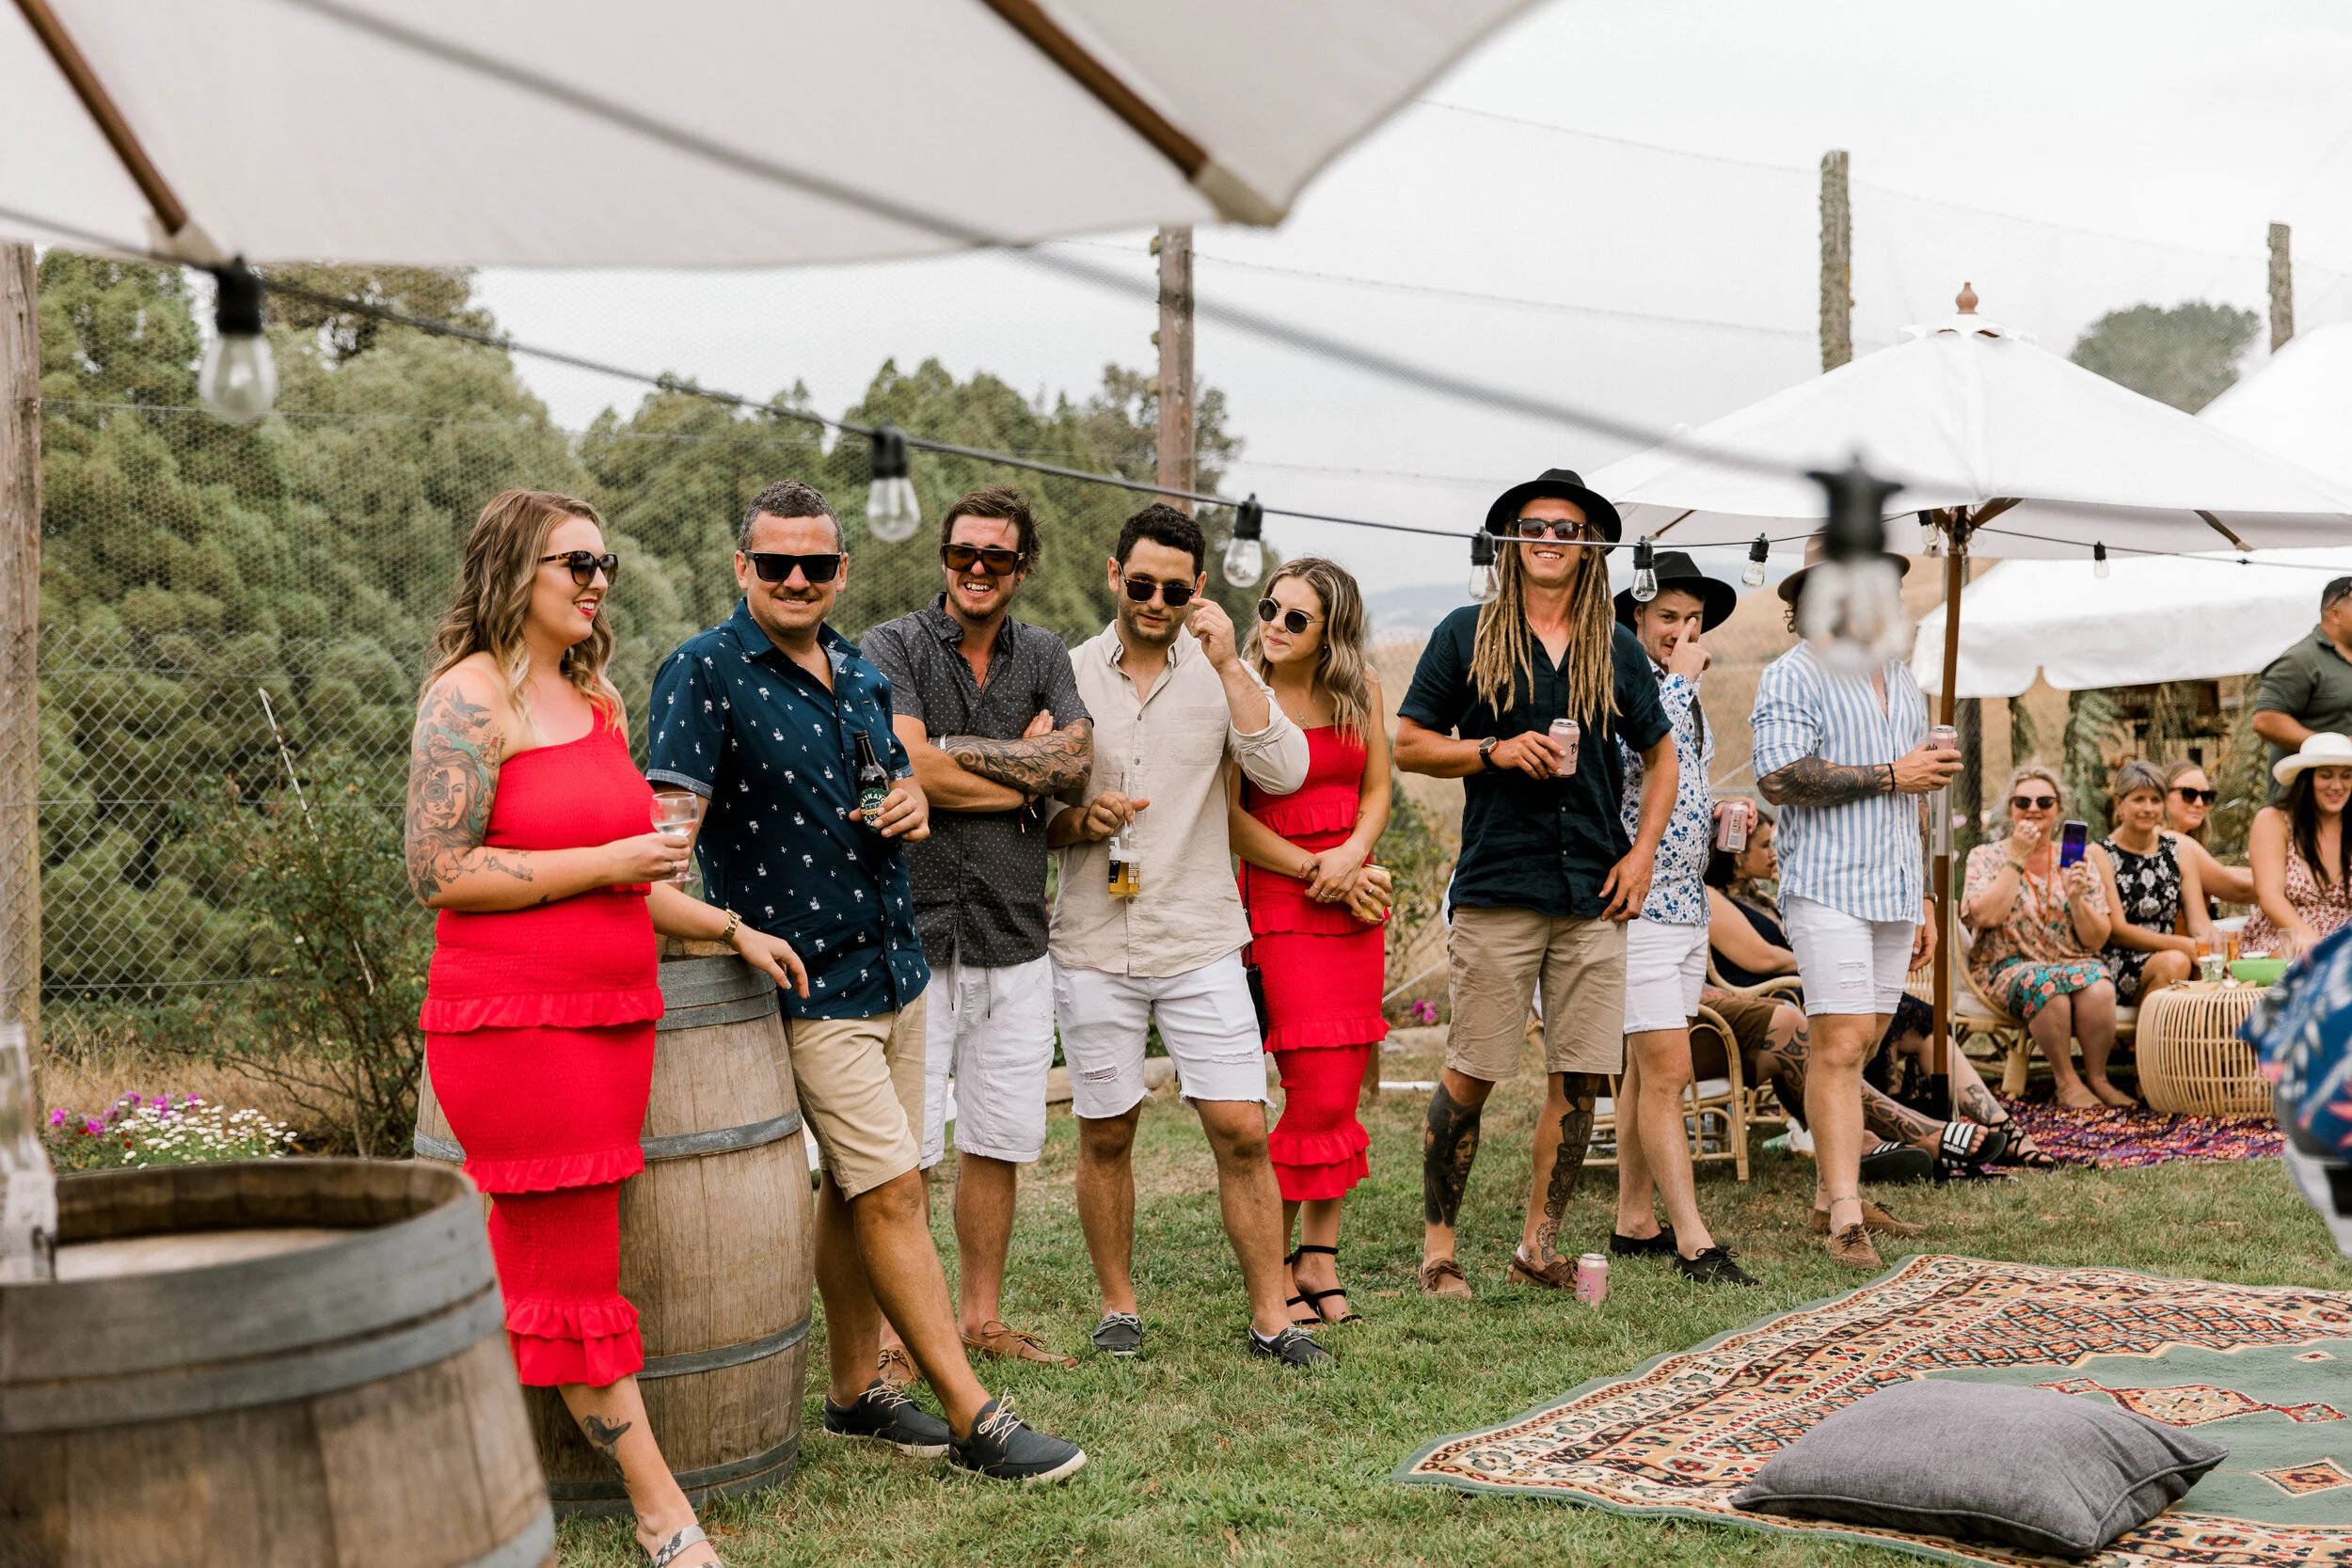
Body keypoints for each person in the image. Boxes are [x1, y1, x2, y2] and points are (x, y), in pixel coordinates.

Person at [410, 489, 817, 1568]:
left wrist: (731, 925)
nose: (595, 581)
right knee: (576, 1274)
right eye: (574, 563)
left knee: (525, 1269)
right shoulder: (466, 699)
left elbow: (636, 886)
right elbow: (437, 871)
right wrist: (605, 865)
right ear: (513, 571)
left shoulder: (598, 704)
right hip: (513, 1028)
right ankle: (660, 1511)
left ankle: (434, 1472)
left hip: (612, 1023)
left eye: (605, 565)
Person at [647, 479, 1084, 1482]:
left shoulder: (850, 665)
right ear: (740, 568)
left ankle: (854, 1389)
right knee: (892, 1189)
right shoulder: (701, 672)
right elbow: (659, 853)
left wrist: (910, 810)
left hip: (897, 962)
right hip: (807, 982)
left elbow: (901, 786)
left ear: (841, 571)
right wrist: (725, 929)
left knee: (864, 1184)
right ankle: (975, 1414)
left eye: (814, 564)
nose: (795, 579)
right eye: (773, 563)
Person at [1044, 503, 1332, 1368]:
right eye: (1141, 583)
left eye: (1175, 587)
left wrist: (1232, 664)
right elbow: (1035, 814)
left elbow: (1285, 770)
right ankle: (1119, 1305)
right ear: (1113, 577)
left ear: (1199, 588)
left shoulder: (1224, 671)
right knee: (1106, 1128)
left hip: (1201, 934)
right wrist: (1077, 819)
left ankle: (1272, 1317)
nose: (1156, 599)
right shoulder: (1064, 674)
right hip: (1095, 936)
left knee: (1242, 1127)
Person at [1394, 469, 1676, 1299]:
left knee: (1581, 1077)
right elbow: (1409, 742)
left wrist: (1644, 851)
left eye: (1568, 529)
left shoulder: (1615, 649)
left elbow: (1661, 753)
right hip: (1499, 885)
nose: (1550, 539)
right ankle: (1439, 1250)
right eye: (1534, 526)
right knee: (1472, 1072)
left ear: (1591, 548)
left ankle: (1538, 1245)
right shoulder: (1466, 634)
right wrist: (1492, 749)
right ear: (1510, 542)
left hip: (1594, 888)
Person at [861, 485, 1093, 1374]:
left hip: (1013, 934)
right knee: (906, 1150)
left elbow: (1077, 762)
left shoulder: (1044, 654)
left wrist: (966, 755)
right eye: (964, 553)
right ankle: (896, 1338)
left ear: (1021, 566)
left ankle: (981, 1318)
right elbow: (904, 760)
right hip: (914, 932)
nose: (978, 569)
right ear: (944, 559)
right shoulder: (895, 645)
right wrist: (1022, 775)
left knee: (997, 1137)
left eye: (997, 556)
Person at [1750, 534, 1953, 1271]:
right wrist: (1894, 774)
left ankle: (1830, 1189)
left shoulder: (1903, 682)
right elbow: (1779, 777)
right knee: (1837, 1044)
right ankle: (1843, 1210)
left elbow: (1921, 797)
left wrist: (1927, 895)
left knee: (1862, 1040)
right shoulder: (1792, 675)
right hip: (1828, 885)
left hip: (1895, 888)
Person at [1223, 558, 1396, 1327]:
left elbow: (1379, 789)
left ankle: (1318, 1257)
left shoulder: (1359, 694)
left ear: (1333, 632)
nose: (1275, 625)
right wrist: (1313, 867)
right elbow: (1226, 818)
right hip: (1282, 902)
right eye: (1269, 607)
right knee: (1312, 1091)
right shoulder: (1242, 696)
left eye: (1297, 617)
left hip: (1356, 903)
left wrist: (1354, 855)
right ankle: (1275, 1265)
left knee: (1342, 1090)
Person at [1608, 550, 1756, 1285]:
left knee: (1645, 1069)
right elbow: (1638, 755)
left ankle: (1635, 1217)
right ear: (1637, 618)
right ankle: (1695, 1239)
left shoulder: (1684, 695)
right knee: (1667, 1067)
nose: (1683, 629)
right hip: (1637, 906)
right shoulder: (1624, 681)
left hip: (1687, 902)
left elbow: (1683, 779)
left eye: (1693, 619)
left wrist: (1721, 808)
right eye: (1669, 616)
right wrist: (1677, 679)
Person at [1960, 766, 2130, 1110]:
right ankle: (2066, 1081)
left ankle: (2097, 1078)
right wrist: (2017, 860)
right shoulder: (1986, 856)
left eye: (2045, 801)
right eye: (2023, 801)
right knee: (2046, 985)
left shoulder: (2076, 859)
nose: (2033, 808)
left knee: (2098, 985)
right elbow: (1986, 915)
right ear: (2010, 810)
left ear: (2058, 811)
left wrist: (2077, 897)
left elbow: (2097, 940)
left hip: (2071, 959)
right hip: (2006, 966)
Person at [2096, 758, 2209, 1003]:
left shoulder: (2179, 851)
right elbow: (2118, 931)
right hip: (2119, 963)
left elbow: (2199, 922)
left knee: (2213, 971)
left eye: (2155, 800)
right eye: (2138, 799)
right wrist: (2182, 946)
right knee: (2176, 962)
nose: (2148, 808)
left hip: (2175, 953)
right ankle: (2146, 1040)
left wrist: (2215, 949)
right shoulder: (2101, 854)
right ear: (2119, 804)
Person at [2244, 733, 2352, 959]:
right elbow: (2270, 896)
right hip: (2288, 937)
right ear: (2306, 779)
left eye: (2347, 776)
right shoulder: (2274, 820)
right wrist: (2314, 942)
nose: (2337, 786)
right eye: (2325, 776)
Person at [2251, 576, 2352, 775]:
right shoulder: (2301, 660)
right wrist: (2330, 748)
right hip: (2305, 796)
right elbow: (2265, 719)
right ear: (2335, 614)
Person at [1705, 802, 1800, 991]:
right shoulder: (1711, 898)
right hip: (1762, 994)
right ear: (1738, 854)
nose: (1773, 854)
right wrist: (1822, 963)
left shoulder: (1758, 899)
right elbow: (1765, 959)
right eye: (1765, 846)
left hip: (1791, 985)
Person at [2162, 759, 2255, 906]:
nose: (2199, 803)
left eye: (2206, 796)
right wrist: (2293, 885)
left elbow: (2222, 872)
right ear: (2162, 795)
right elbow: (2236, 889)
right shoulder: (2172, 840)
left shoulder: (2173, 840)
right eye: (2189, 794)